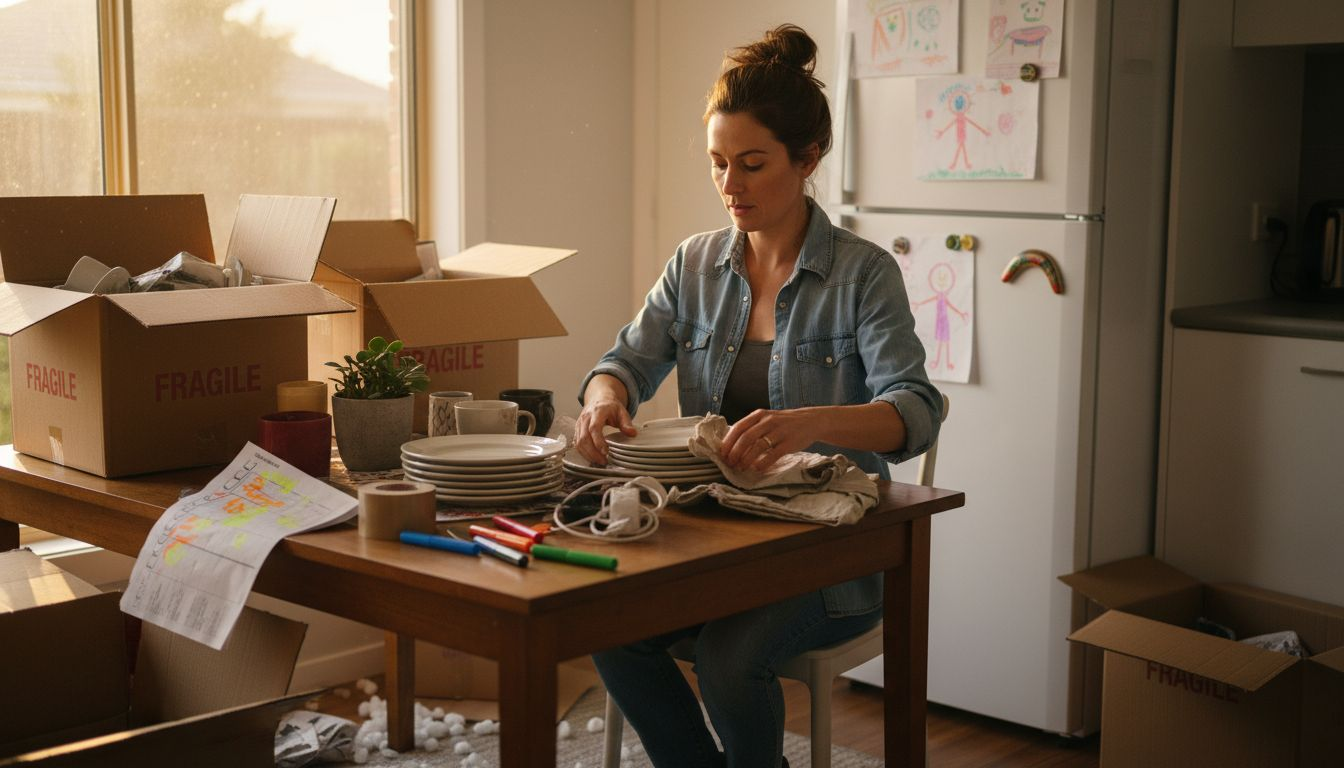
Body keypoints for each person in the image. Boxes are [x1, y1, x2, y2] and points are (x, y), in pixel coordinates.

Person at [574, 23, 942, 768]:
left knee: (729, 660)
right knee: (602, 624)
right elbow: (623, 361)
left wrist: (811, 421)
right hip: (712, 542)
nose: (729, 186)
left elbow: (916, 410)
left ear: (807, 160)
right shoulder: (695, 264)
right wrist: (604, 398)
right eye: (717, 163)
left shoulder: (864, 275)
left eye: (751, 164)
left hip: (835, 554)